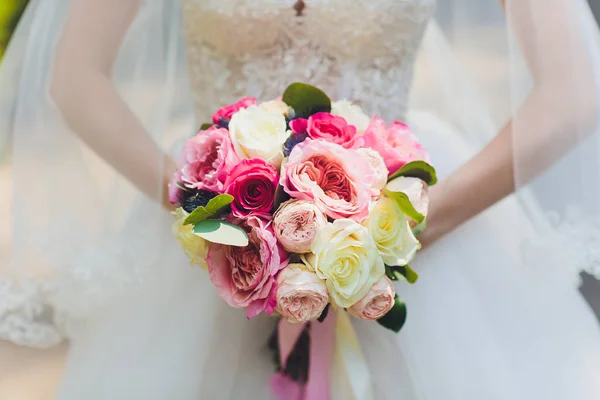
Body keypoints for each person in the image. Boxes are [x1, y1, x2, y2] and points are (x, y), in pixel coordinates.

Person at [2, 0, 600, 399]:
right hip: (210, 244)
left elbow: (574, 91)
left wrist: (395, 234)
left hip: (423, 241)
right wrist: (208, 211)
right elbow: (75, 78)